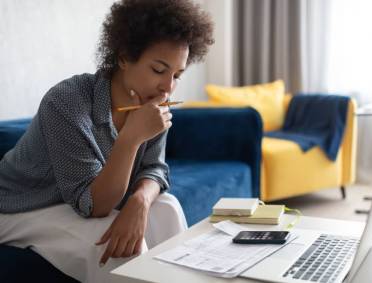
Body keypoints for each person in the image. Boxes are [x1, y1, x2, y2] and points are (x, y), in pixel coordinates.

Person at [0, 0, 214, 282]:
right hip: (20, 206)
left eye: (177, 74)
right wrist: (132, 137)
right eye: (159, 70)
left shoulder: (155, 103)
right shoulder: (67, 101)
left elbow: (156, 169)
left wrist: (140, 200)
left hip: (75, 201)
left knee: (167, 208)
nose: (168, 87)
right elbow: (93, 205)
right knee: (118, 246)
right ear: (124, 57)